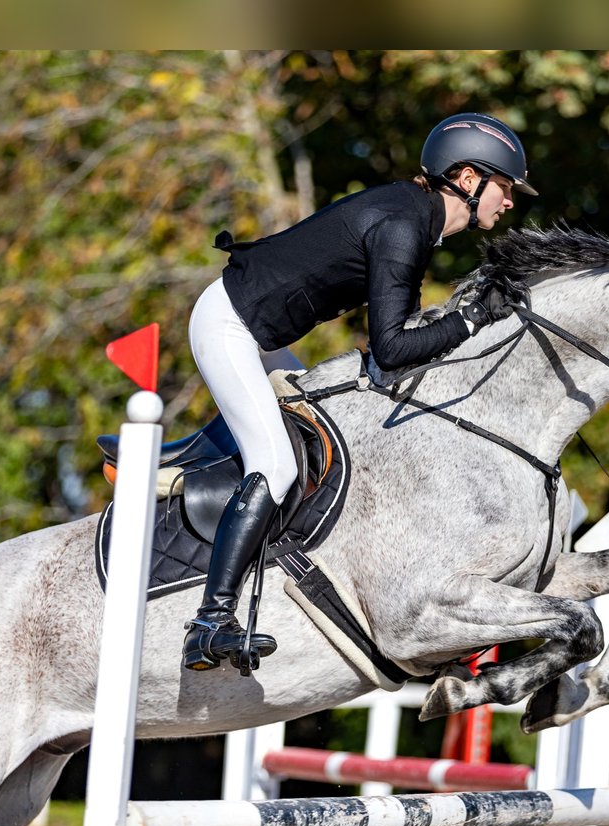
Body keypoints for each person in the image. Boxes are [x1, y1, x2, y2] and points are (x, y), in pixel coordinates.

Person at [182, 112, 538, 672]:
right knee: (276, 465)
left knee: (334, 439)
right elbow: (394, 349)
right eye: (505, 186)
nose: (510, 200)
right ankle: (209, 621)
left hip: (262, 335)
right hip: (230, 327)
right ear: (468, 180)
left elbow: (392, 357)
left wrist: (465, 324)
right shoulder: (403, 225)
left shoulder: (414, 218)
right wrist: (471, 323)